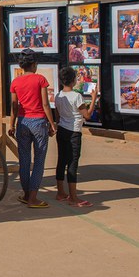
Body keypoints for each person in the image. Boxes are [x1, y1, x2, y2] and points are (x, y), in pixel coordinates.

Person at [8, 48, 57, 208]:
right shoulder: (40, 80)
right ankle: (33, 198)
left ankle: (26, 194)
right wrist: (52, 123)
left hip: (22, 122)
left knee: (24, 160)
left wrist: (11, 124)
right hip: (38, 122)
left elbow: (14, 106)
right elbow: (45, 104)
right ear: (34, 64)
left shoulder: (16, 82)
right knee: (39, 161)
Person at [55, 67, 97, 207]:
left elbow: (58, 116)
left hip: (62, 130)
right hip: (73, 132)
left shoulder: (58, 95)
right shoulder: (77, 96)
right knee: (72, 163)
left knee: (61, 161)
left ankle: (60, 192)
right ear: (73, 80)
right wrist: (93, 99)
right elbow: (87, 115)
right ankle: (73, 197)